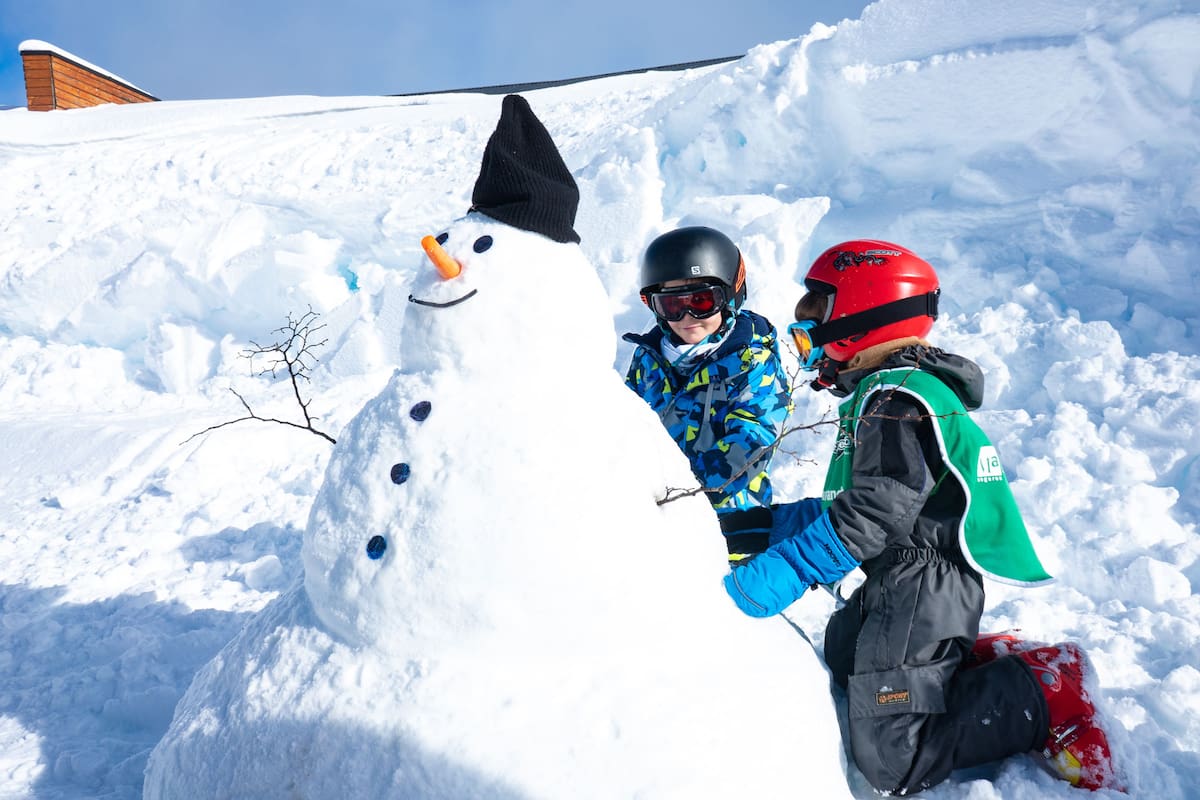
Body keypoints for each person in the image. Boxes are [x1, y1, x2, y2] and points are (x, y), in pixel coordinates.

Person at [723, 240, 1119, 793]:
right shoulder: (891, 392)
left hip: (925, 584)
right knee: (843, 663)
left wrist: (787, 570)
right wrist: (763, 528)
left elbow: (875, 511)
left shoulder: (896, 400)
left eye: (815, 317)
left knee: (892, 755)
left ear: (862, 316)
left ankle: (1047, 690)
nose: (805, 338)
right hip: (902, 571)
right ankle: (957, 664)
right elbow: (866, 505)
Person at [623, 226, 793, 562]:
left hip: (730, 528)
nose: (687, 317)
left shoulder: (750, 359)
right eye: (672, 305)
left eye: (701, 301)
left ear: (729, 296)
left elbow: (752, 441)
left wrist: (677, 492)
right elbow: (624, 422)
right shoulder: (649, 358)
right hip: (648, 520)